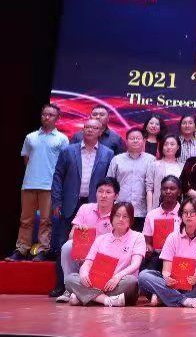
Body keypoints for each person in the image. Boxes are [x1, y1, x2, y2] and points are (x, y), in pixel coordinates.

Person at [49, 119, 115, 297]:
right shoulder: (68, 151)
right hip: (69, 204)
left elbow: (109, 181)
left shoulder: (108, 153)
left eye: (95, 128)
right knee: (65, 245)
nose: (90, 130)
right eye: (87, 127)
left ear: (101, 131)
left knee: (96, 245)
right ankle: (63, 286)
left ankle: (89, 284)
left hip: (95, 204)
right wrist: (56, 202)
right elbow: (58, 176)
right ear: (82, 130)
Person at [8, 103, 69, 262]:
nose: (46, 117)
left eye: (51, 115)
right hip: (29, 184)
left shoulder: (62, 139)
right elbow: (27, 160)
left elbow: (64, 164)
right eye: (44, 114)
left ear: (58, 118)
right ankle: (21, 249)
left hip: (49, 186)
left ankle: (42, 250)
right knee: (25, 220)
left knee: (45, 221)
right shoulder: (31, 137)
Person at [138, 197, 196, 308]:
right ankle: (186, 301)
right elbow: (166, 270)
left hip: (195, 284)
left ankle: (166, 298)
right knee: (144, 276)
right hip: (172, 284)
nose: (188, 215)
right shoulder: (172, 237)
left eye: (192, 212)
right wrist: (167, 278)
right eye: (185, 212)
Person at [64, 201, 144, 307]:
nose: (121, 219)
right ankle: (106, 300)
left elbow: (135, 264)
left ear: (131, 220)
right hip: (97, 283)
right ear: (111, 218)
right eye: (117, 216)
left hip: (119, 284)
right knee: (70, 279)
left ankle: (84, 296)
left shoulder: (138, 237)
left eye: (125, 216)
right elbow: (88, 263)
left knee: (131, 281)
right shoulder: (101, 239)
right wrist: (83, 273)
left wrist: (117, 277)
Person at [55, 178, 119, 303]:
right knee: (68, 246)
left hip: (104, 257)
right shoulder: (85, 208)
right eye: (100, 191)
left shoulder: (118, 214)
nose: (103, 195)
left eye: (108, 192)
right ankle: (69, 288)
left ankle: (83, 293)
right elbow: (71, 236)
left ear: (116, 196)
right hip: (84, 253)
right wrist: (78, 232)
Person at [107, 127, 155, 231]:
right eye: (132, 138)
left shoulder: (151, 160)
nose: (135, 140)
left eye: (138, 138)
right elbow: (109, 185)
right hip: (120, 210)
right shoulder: (117, 160)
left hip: (141, 212)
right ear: (126, 141)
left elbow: (152, 187)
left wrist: (150, 212)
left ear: (144, 141)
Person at [141, 176, 182, 275]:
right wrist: (148, 249)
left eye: (172, 188)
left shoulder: (184, 213)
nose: (168, 191)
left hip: (179, 257)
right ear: (161, 191)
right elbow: (147, 242)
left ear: (179, 192)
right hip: (157, 257)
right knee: (144, 276)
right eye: (165, 189)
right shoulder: (152, 215)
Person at [145, 134, 183, 211]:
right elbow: (149, 189)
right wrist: (149, 211)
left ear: (178, 147)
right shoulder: (154, 165)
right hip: (158, 208)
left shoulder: (183, 166)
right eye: (166, 144)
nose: (169, 147)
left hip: (178, 209)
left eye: (172, 144)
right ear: (162, 147)